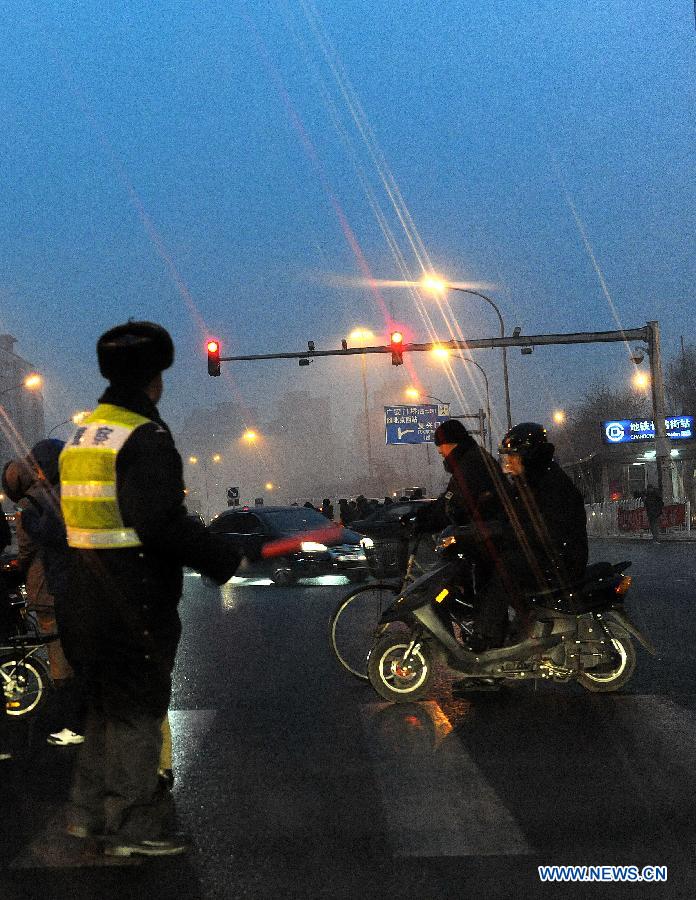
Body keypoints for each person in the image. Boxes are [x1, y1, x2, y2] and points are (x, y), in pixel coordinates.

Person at [59, 321, 241, 858]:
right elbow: (158, 521)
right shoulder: (144, 436)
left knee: (102, 707)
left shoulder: (84, 434)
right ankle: (134, 826)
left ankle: (86, 814)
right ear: (154, 378)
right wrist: (221, 557)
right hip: (130, 598)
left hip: (82, 597)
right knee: (138, 710)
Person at [485, 423, 589, 643]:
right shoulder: (528, 481)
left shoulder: (549, 483)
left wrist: (503, 533)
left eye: (513, 457)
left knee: (504, 569)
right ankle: (520, 625)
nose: (509, 463)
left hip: (560, 559)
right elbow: (509, 517)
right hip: (546, 553)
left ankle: (488, 638)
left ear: (528, 454)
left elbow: (543, 530)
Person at [2, 450, 79, 743]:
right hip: (66, 581)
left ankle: (68, 716)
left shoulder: (27, 506)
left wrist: (17, 571)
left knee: (55, 645)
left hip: (44, 583)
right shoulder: (54, 494)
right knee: (67, 642)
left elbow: (25, 550)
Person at [414, 419, 510, 650]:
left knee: (478, 587)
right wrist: (424, 514)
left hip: (488, 536)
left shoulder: (471, 464)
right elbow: (450, 498)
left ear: (450, 443)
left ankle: (487, 642)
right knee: (476, 585)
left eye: (441, 447)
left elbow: (456, 503)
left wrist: (430, 521)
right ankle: (482, 629)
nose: (440, 452)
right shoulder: (469, 460)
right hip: (482, 534)